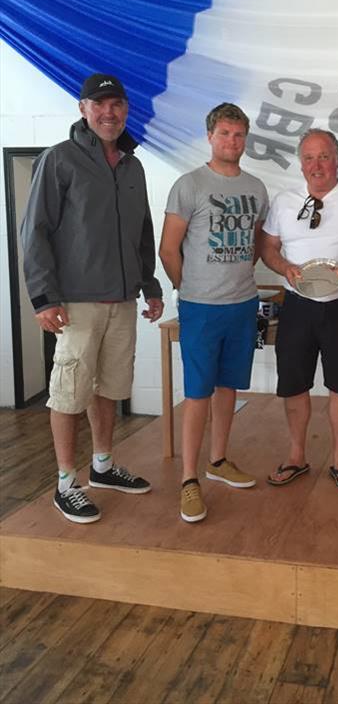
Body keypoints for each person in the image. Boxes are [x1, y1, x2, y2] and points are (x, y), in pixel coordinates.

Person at [21, 73, 164, 524]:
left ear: (125, 110)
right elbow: (35, 232)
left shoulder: (132, 166)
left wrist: (151, 284)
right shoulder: (59, 160)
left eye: (117, 105)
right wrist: (44, 297)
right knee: (68, 393)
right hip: (76, 302)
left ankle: (102, 465)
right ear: (83, 109)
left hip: (121, 301)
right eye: (100, 105)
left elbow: (142, 232)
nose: (109, 113)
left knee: (109, 388)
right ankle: (66, 481)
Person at [160, 103, 269, 523]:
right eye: (225, 133)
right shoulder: (189, 186)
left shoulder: (256, 188)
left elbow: (257, 244)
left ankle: (218, 461)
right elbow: (168, 249)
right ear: (210, 136)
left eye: (239, 134)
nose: (232, 141)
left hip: (242, 304)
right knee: (198, 393)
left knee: (228, 388)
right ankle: (190, 479)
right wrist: (188, 289)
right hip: (200, 307)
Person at [261, 129, 338, 490]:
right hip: (297, 305)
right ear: (301, 163)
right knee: (294, 384)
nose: (317, 165)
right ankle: (296, 456)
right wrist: (284, 268)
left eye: (324, 156)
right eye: (309, 158)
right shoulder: (284, 201)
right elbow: (268, 247)